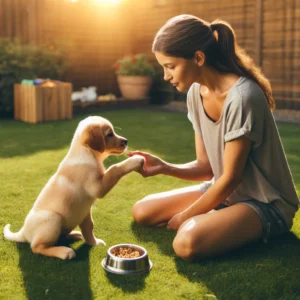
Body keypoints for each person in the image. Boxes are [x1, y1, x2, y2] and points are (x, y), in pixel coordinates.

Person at [127, 14, 300, 261]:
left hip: (266, 204)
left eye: (170, 66)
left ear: (198, 57)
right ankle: (218, 218)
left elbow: (229, 178)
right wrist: (164, 167)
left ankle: (226, 222)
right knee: (142, 210)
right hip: (226, 195)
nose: (165, 76)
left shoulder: (243, 97)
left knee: (186, 241)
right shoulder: (196, 93)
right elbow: (206, 167)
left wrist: (184, 216)